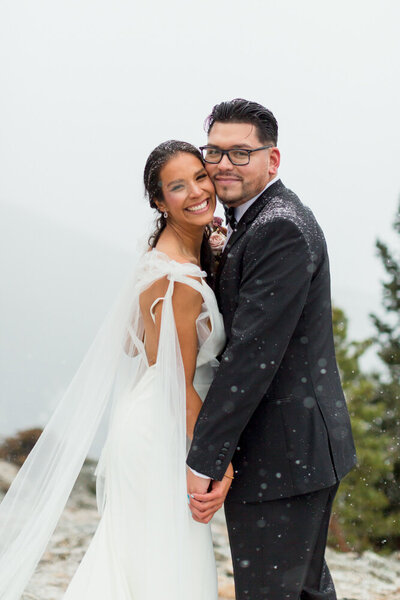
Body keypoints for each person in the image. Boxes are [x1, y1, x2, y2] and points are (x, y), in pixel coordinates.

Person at [0, 141, 229, 600]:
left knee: (138, 563)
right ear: (160, 202)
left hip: (146, 421)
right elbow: (180, 386)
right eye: (178, 186)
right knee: (165, 570)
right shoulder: (177, 279)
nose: (198, 191)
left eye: (200, 177)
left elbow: (130, 342)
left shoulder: (165, 258)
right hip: (160, 435)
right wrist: (217, 463)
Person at [187, 99, 357, 600]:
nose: (223, 165)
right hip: (294, 453)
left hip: (282, 454)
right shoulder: (255, 219)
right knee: (301, 590)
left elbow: (252, 357)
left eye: (241, 153)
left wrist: (205, 460)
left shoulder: (279, 227)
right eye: (214, 152)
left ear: (272, 160)